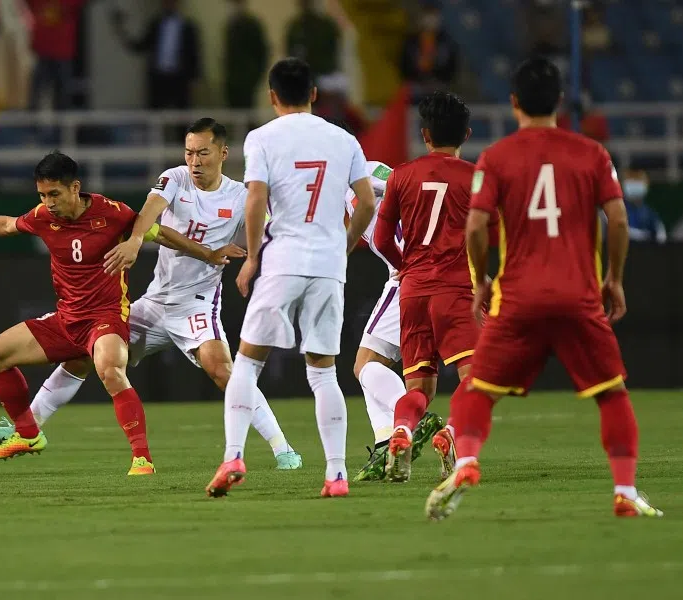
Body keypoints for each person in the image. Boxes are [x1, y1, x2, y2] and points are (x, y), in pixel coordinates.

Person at [0, 120, 303, 470]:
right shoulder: (176, 178)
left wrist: (254, 259)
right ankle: (25, 430)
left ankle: (282, 448)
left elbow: (267, 234)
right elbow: (149, 209)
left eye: (202, 153)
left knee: (223, 370)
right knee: (83, 355)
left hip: (196, 303)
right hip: (154, 302)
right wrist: (135, 240)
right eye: (189, 152)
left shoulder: (241, 197)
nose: (194, 161)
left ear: (222, 154)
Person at [426, 58, 663, 520]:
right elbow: (617, 218)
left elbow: (475, 226)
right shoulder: (591, 153)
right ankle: (624, 490)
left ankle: (469, 460)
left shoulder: (497, 157)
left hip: (518, 298)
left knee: (478, 390)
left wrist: (481, 279)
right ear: (558, 101)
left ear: (513, 103)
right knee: (612, 394)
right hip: (579, 296)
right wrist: (613, 278)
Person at [0, 152, 245, 473]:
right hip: (67, 320)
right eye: (42, 195)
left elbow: (160, 232)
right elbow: (7, 225)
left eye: (54, 194)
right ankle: (28, 434)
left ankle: (142, 458)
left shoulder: (112, 213)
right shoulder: (43, 216)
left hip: (106, 316)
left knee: (110, 369)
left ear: (74, 188)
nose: (48, 202)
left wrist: (207, 253)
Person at [204, 58, 376, 499]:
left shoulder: (261, 138)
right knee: (323, 374)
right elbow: (367, 204)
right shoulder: (344, 139)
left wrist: (252, 257)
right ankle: (336, 475)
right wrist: (343, 245)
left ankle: (235, 455)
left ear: (272, 95)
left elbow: (256, 197)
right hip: (328, 266)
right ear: (314, 93)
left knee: (247, 363)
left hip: (282, 260)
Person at [374, 91, 481, 484]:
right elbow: (491, 238)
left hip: (414, 291)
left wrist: (407, 269)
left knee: (418, 386)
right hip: (456, 290)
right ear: (466, 134)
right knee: (476, 378)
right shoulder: (475, 179)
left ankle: (401, 429)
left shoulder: (401, 176)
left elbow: (384, 240)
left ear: (424, 134)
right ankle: (450, 433)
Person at [346, 160, 443, 483]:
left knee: (365, 365)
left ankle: (412, 417)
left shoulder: (371, 170)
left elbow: (402, 186)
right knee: (370, 366)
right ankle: (387, 442)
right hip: (417, 273)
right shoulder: (338, 183)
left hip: (408, 276)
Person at [622, 169, 666, 244]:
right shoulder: (618, 209)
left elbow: (661, 235)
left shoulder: (649, 213)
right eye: (632, 181)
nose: (635, 185)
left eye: (638, 180)